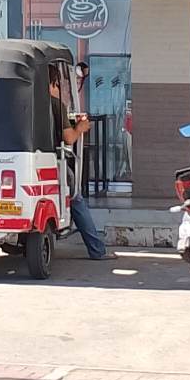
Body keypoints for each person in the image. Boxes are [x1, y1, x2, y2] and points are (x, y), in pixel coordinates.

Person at [51, 65, 108, 260]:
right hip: (54, 161)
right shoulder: (55, 105)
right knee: (76, 197)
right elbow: (69, 138)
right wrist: (80, 128)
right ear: (54, 84)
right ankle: (97, 249)